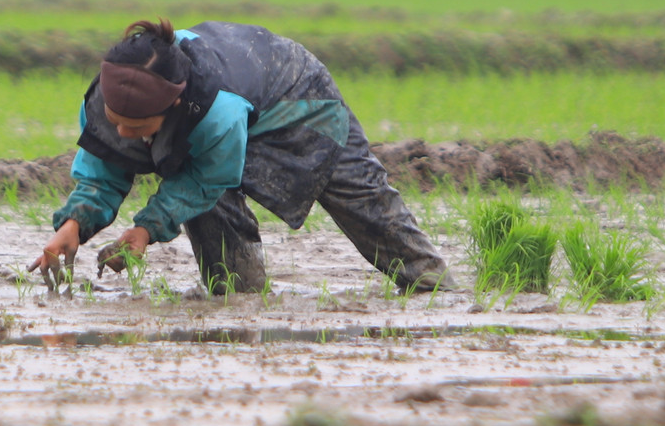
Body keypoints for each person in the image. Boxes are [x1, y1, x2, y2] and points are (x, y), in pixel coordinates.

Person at [31, 18, 454, 295]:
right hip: (237, 100)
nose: (124, 134)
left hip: (297, 98)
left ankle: (433, 284)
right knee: (207, 204)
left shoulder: (216, 111)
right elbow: (103, 167)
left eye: (137, 128)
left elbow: (206, 180)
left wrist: (144, 231)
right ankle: (236, 294)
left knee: (360, 198)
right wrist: (74, 225)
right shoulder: (107, 98)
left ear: (173, 107)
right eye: (115, 121)